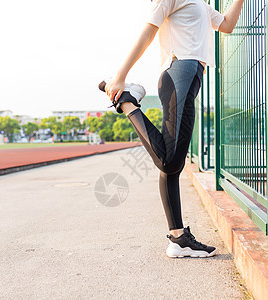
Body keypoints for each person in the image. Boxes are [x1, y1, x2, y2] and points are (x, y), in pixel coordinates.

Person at [104, 0, 244, 258]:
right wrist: (120, 75)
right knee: (169, 162)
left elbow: (226, 25)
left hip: (190, 77)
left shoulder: (201, 2)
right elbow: (149, 30)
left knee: (173, 164)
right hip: (179, 73)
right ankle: (127, 102)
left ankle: (178, 239)